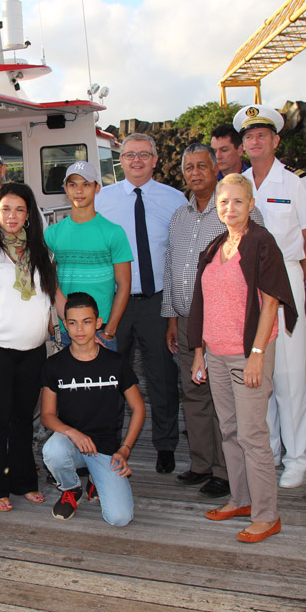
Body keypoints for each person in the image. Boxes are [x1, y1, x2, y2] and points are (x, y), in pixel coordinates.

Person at [188, 174, 297, 544]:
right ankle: (241, 499)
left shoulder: (261, 243)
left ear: (251, 205)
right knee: (229, 430)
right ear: (216, 207)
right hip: (216, 354)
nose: (229, 208)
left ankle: (268, 515)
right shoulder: (216, 245)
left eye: (237, 201)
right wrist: (199, 352)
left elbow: (271, 303)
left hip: (248, 354)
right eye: (223, 202)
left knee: (253, 435)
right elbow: (203, 304)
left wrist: (257, 354)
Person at [162, 144, 264, 499]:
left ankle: (225, 470)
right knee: (193, 392)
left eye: (202, 165)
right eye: (188, 167)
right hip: (189, 318)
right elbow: (172, 267)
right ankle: (201, 463)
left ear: (215, 168)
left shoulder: (234, 212)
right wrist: (172, 318)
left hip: (226, 321)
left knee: (225, 397)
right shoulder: (179, 217)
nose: (195, 173)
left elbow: (256, 271)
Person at [236, 104, 306, 489]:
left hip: (284, 276)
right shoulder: (237, 185)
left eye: (262, 135)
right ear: (243, 145)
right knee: (259, 373)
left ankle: (297, 458)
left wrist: (289, 284)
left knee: (289, 377)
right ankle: (267, 450)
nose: (255, 142)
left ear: (275, 140)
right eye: (248, 137)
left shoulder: (296, 183)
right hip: (245, 283)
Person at [0, 182, 57, 511]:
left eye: (19, 209)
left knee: (22, 420)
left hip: (33, 352)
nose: (12, 216)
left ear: (29, 214)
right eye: (6, 209)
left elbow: (50, 294)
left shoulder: (41, 252)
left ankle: (23, 481)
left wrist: (66, 320)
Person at [96, 133, 188, 474]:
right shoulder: (102, 199)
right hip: (114, 302)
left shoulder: (175, 199)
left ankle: (165, 445)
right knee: (112, 376)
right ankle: (110, 443)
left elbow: (180, 255)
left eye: (144, 155)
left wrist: (176, 309)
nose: (137, 160)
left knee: (162, 376)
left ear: (155, 159)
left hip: (157, 301)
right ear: (120, 160)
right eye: (130, 155)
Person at [40, 292, 146, 525]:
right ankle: (71, 488)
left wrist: (125, 449)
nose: (80, 329)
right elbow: (47, 415)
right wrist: (72, 432)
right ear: (65, 325)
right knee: (53, 450)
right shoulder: (54, 365)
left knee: (120, 518)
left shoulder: (115, 362)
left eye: (87, 322)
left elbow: (138, 408)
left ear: (98, 323)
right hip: (72, 444)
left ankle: (98, 479)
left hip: (105, 448)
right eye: (73, 323)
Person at [45, 161, 133, 350]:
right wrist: (52, 327)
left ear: (97, 188)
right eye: (73, 185)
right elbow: (48, 283)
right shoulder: (52, 234)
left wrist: (109, 331)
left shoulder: (113, 232)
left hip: (100, 333)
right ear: (65, 189)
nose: (79, 190)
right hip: (65, 330)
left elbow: (124, 285)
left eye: (86, 184)